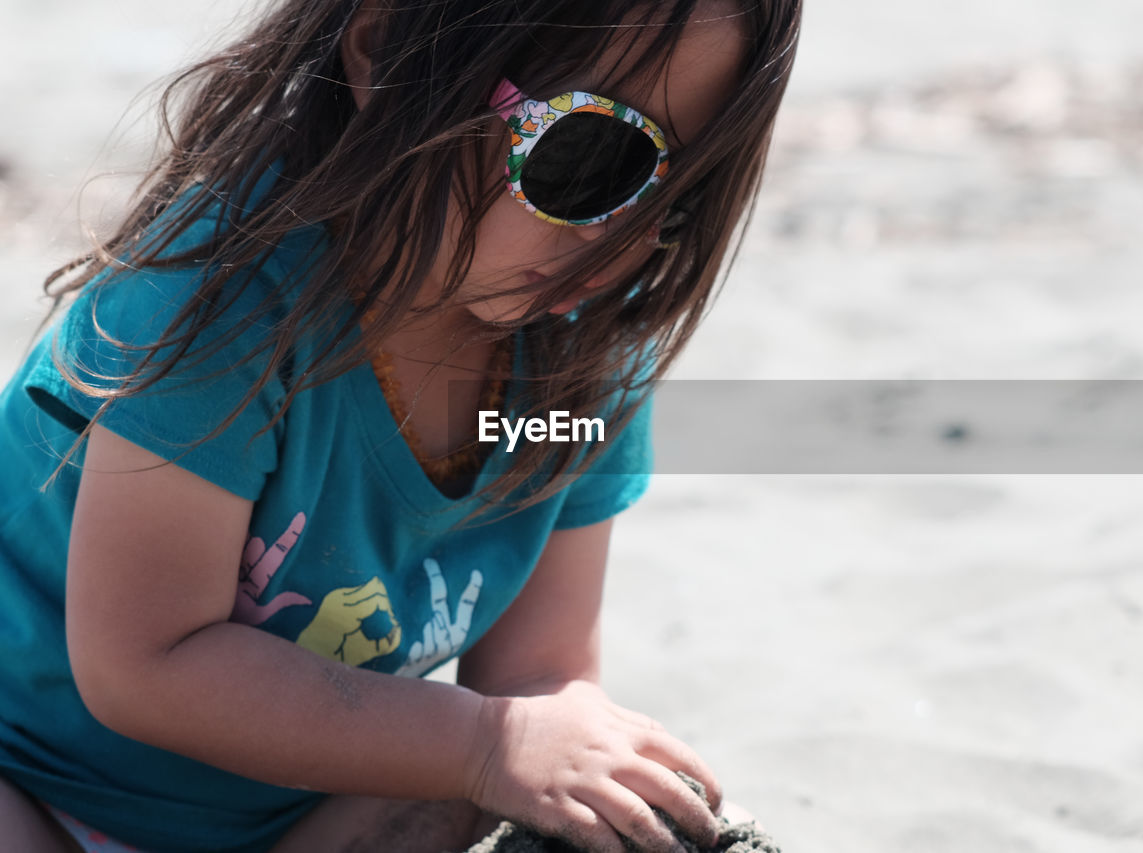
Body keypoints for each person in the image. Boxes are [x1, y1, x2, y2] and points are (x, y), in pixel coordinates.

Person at [0, 0, 800, 850]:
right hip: (33, 773)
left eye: (678, 193)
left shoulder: (581, 361)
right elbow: (146, 662)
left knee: (539, 795)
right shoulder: (219, 297)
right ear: (385, 53)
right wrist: (485, 743)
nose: (620, 240)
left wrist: (554, 742)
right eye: (595, 160)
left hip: (296, 815)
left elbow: (537, 673)